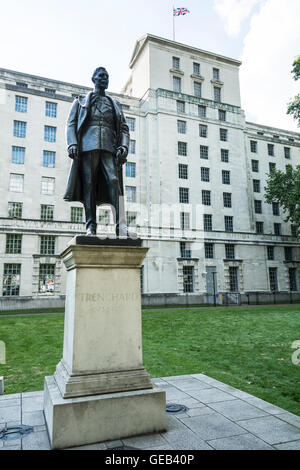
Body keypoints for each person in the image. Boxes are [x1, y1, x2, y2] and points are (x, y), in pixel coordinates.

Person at [64, 66, 133, 237]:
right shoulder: (80, 101)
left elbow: (124, 128)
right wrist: (72, 143)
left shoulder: (114, 104)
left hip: (109, 148)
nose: (104, 79)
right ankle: (91, 227)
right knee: (88, 185)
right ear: (93, 79)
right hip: (88, 147)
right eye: (101, 76)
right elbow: (71, 124)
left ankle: (120, 226)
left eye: (107, 76)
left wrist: (123, 146)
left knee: (114, 181)